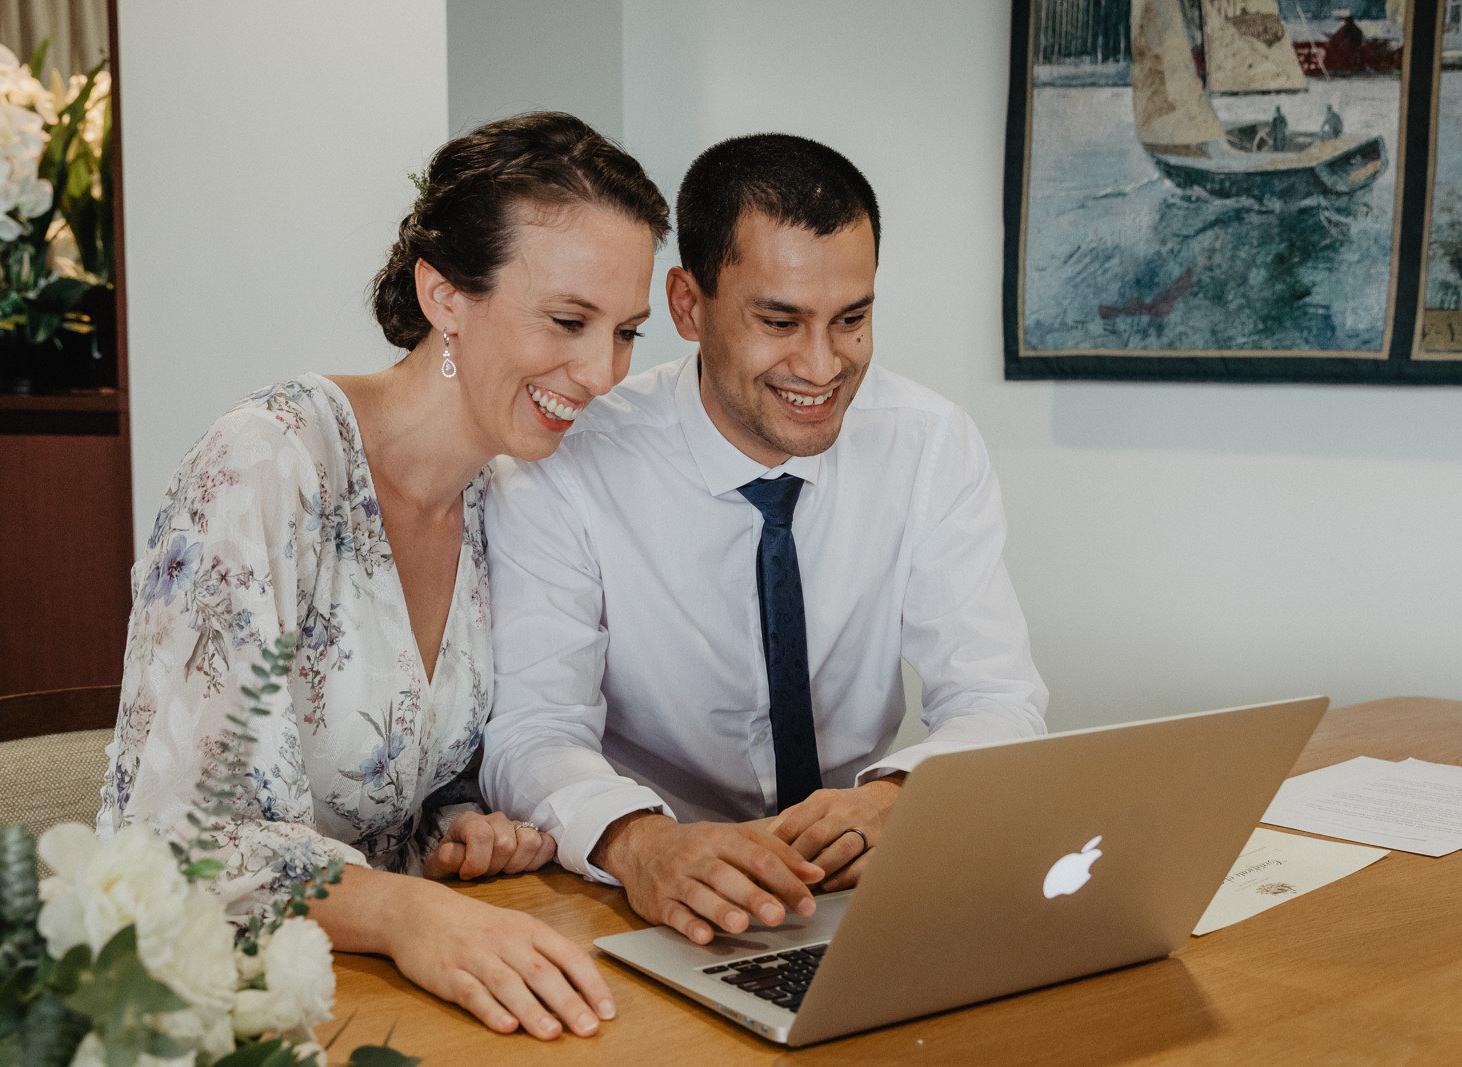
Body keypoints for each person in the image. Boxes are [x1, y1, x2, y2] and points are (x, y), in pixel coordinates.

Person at [99, 112, 670, 1040]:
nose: (602, 372)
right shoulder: (268, 465)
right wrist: (408, 912)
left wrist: (458, 828)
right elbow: (181, 842)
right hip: (197, 1010)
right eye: (569, 321)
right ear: (444, 296)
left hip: (379, 1001)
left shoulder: (508, 499)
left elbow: (405, 764)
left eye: (628, 332)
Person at [482, 133, 1047, 947]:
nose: (821, 365)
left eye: (851, 319)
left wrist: (896, 797)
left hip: (856, 890)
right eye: (779, 320)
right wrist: (640, 843)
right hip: (648, 899)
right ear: (688, 305)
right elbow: (533, 732)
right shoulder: (567, 462)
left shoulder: (928, 443)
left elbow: (1000, 698)